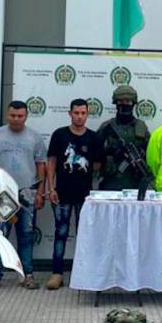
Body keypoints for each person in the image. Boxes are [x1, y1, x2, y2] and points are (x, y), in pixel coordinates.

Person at [0, 100, 46, 290]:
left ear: (26, 116)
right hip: (2, 193)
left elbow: (41, 165)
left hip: (27, 193)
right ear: (7, 115)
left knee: (26, 235)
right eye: (13, 115)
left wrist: (40, 192)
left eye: (20, 116)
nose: (16, 119)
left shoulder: (35, 137)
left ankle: (27, 274)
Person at [44, 98, 104, 290]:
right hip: (61, 193)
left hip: (85, 197)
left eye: (83, 113)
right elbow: (51, 162)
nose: (79, 117)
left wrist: (92, 191)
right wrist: (51, 188)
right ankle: (57, 273)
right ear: (69, 113)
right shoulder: (59, 135)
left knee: (84, 235)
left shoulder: (94, 138)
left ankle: (83, 273)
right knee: (60, 232)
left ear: (87, 114)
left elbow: (97, 165)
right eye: (76, 113)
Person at [96, 85, 150, 191]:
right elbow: (94, 152)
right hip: (111, 181)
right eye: (121, 101)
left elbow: (150, 153)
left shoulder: (141, 127)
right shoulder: (107, 126)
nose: (124, 104)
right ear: (116, 103)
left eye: (128, 101)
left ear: (133, 103)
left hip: (134, 182)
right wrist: (110, 151)